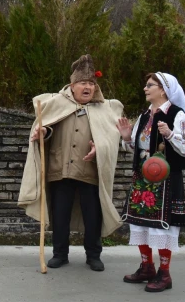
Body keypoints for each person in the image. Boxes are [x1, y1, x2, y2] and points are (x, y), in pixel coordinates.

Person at [18, 55, 124, 271]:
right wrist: (43, 132)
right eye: (83, 83)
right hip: (60, 170)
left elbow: (112, 139)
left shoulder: (105, 109)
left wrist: (100, 148)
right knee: (60, 215)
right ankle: (60, 254)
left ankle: (93, 255)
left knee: (93, 215)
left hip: (89, 171)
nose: (88, 87)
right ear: (73, 86)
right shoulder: (56, 104)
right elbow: (46, 129)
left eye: (91, 83)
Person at [117, 72, 185, 293]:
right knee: (139, 222)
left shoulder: (177, 115)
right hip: (143, 178)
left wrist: (169, 134)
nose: (145, 88)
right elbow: (137, 148)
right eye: (146, 84)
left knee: (163, 226)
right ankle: (147, 267)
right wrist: (126, 138)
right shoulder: (143, 116)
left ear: (163, 89)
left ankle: (165, 274)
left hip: (166, 179)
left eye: (150, 85)